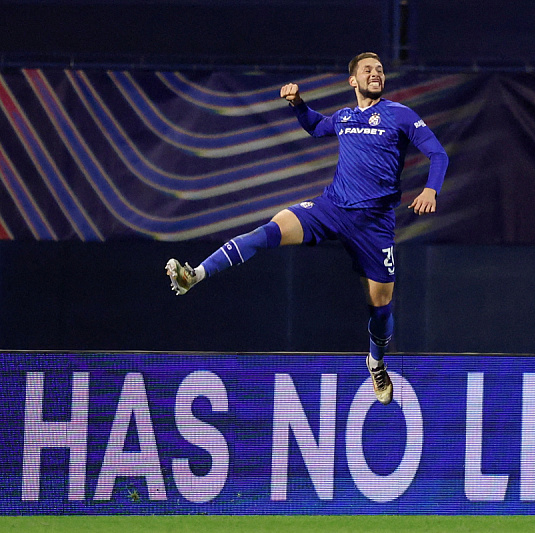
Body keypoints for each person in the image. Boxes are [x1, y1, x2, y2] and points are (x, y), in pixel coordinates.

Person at [166, 52, 448, 406]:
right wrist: (298, 104)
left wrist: (430, 189)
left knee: (381, 308)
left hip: (374, 224)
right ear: (353, 80)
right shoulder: (345, 117)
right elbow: (316, 125)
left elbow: (439, 155)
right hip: (331, 208)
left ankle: (376, 363)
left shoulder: (400, 114)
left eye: (379, 70)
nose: (376, 74)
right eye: (367, 70)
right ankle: (196, 275)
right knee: (270, 229)